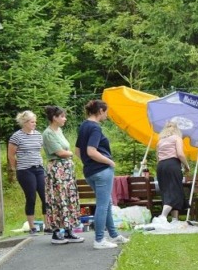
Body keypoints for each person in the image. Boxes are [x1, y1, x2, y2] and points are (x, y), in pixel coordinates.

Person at [75, 99, 128, 249]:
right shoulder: (95, 128)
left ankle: (114, 235)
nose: (107, 115)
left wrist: (89, 163)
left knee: (107, 202)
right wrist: (109, 162)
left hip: (90, 172)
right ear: (100, 111)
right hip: (102, 171)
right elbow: (91, 151)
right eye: (106, 112)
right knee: (103, 205)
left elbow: (78, 151)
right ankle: (99, 240)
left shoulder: (83, 126)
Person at [41, 105, 84, 244]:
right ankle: (55, 232)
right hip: (57, 170)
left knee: (68, 198)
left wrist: (68, 154)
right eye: (62, 116)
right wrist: (70, 153)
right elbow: (61, 152)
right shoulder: (48, 133)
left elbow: (66, 150)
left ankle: (68, 230)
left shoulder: (59, 130)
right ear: (54, 118)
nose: (65, 119)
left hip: (66, 170)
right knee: (58, 198)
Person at [7, 110, 47, 235]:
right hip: (25, 170)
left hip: (39, 168)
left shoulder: (38, 135)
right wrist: (15, 167)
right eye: (32, 122)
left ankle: (48, 225)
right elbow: (11, 155)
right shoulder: (16, 136)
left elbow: (39, 150)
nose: (34, 124)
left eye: (35, 122)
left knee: (45, 196)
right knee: (31, 197)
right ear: (24, 122)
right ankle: (32, 227)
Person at [153, 121, 191, 224]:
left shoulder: (160, 141)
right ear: (177, 130)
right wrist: (187, 166)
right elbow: (180, 154)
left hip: (161, 166)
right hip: (172, 165)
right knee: (175, 191)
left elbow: (158, 158)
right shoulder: (177, 138)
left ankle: (175, 219)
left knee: (167, 192)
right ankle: (163, 216)